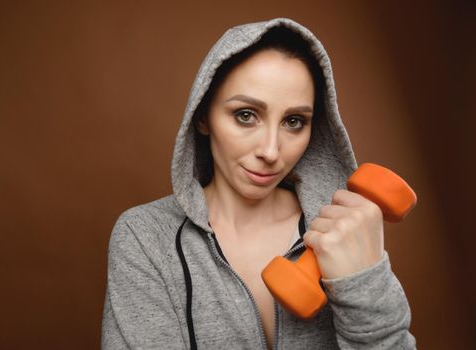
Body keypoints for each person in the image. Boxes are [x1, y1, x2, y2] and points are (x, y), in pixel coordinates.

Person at [102, 18, 416, 349]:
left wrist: (361, 280)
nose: (270, 151)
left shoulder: (343, 232)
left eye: (294, 121)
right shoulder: (145, 237)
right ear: (203, 116)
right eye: (246, 115)